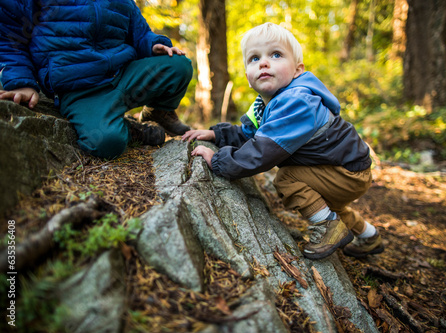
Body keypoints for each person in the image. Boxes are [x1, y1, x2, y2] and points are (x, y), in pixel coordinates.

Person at [182, 22, 384, 259]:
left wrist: (218, 161)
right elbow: (250, 135)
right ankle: (369, 236)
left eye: (276, 55)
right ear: (248, 76)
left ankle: (329, 227)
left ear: (298, 70)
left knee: (287, 179)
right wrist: (217, 134)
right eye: (254, 58)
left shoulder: (296, 102)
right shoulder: (264, 105)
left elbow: (262, 151)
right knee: (333, 208)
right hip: (340, 169)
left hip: (346, 172)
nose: (264, 63)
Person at [0, 0, 193, 160]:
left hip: (122, 75)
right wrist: (21, 82)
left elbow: (139, 33)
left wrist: (153, 45)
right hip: (79, 88)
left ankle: (158, 113)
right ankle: (132, 129)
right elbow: (9, 36)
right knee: (108, 143)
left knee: (179, 66)